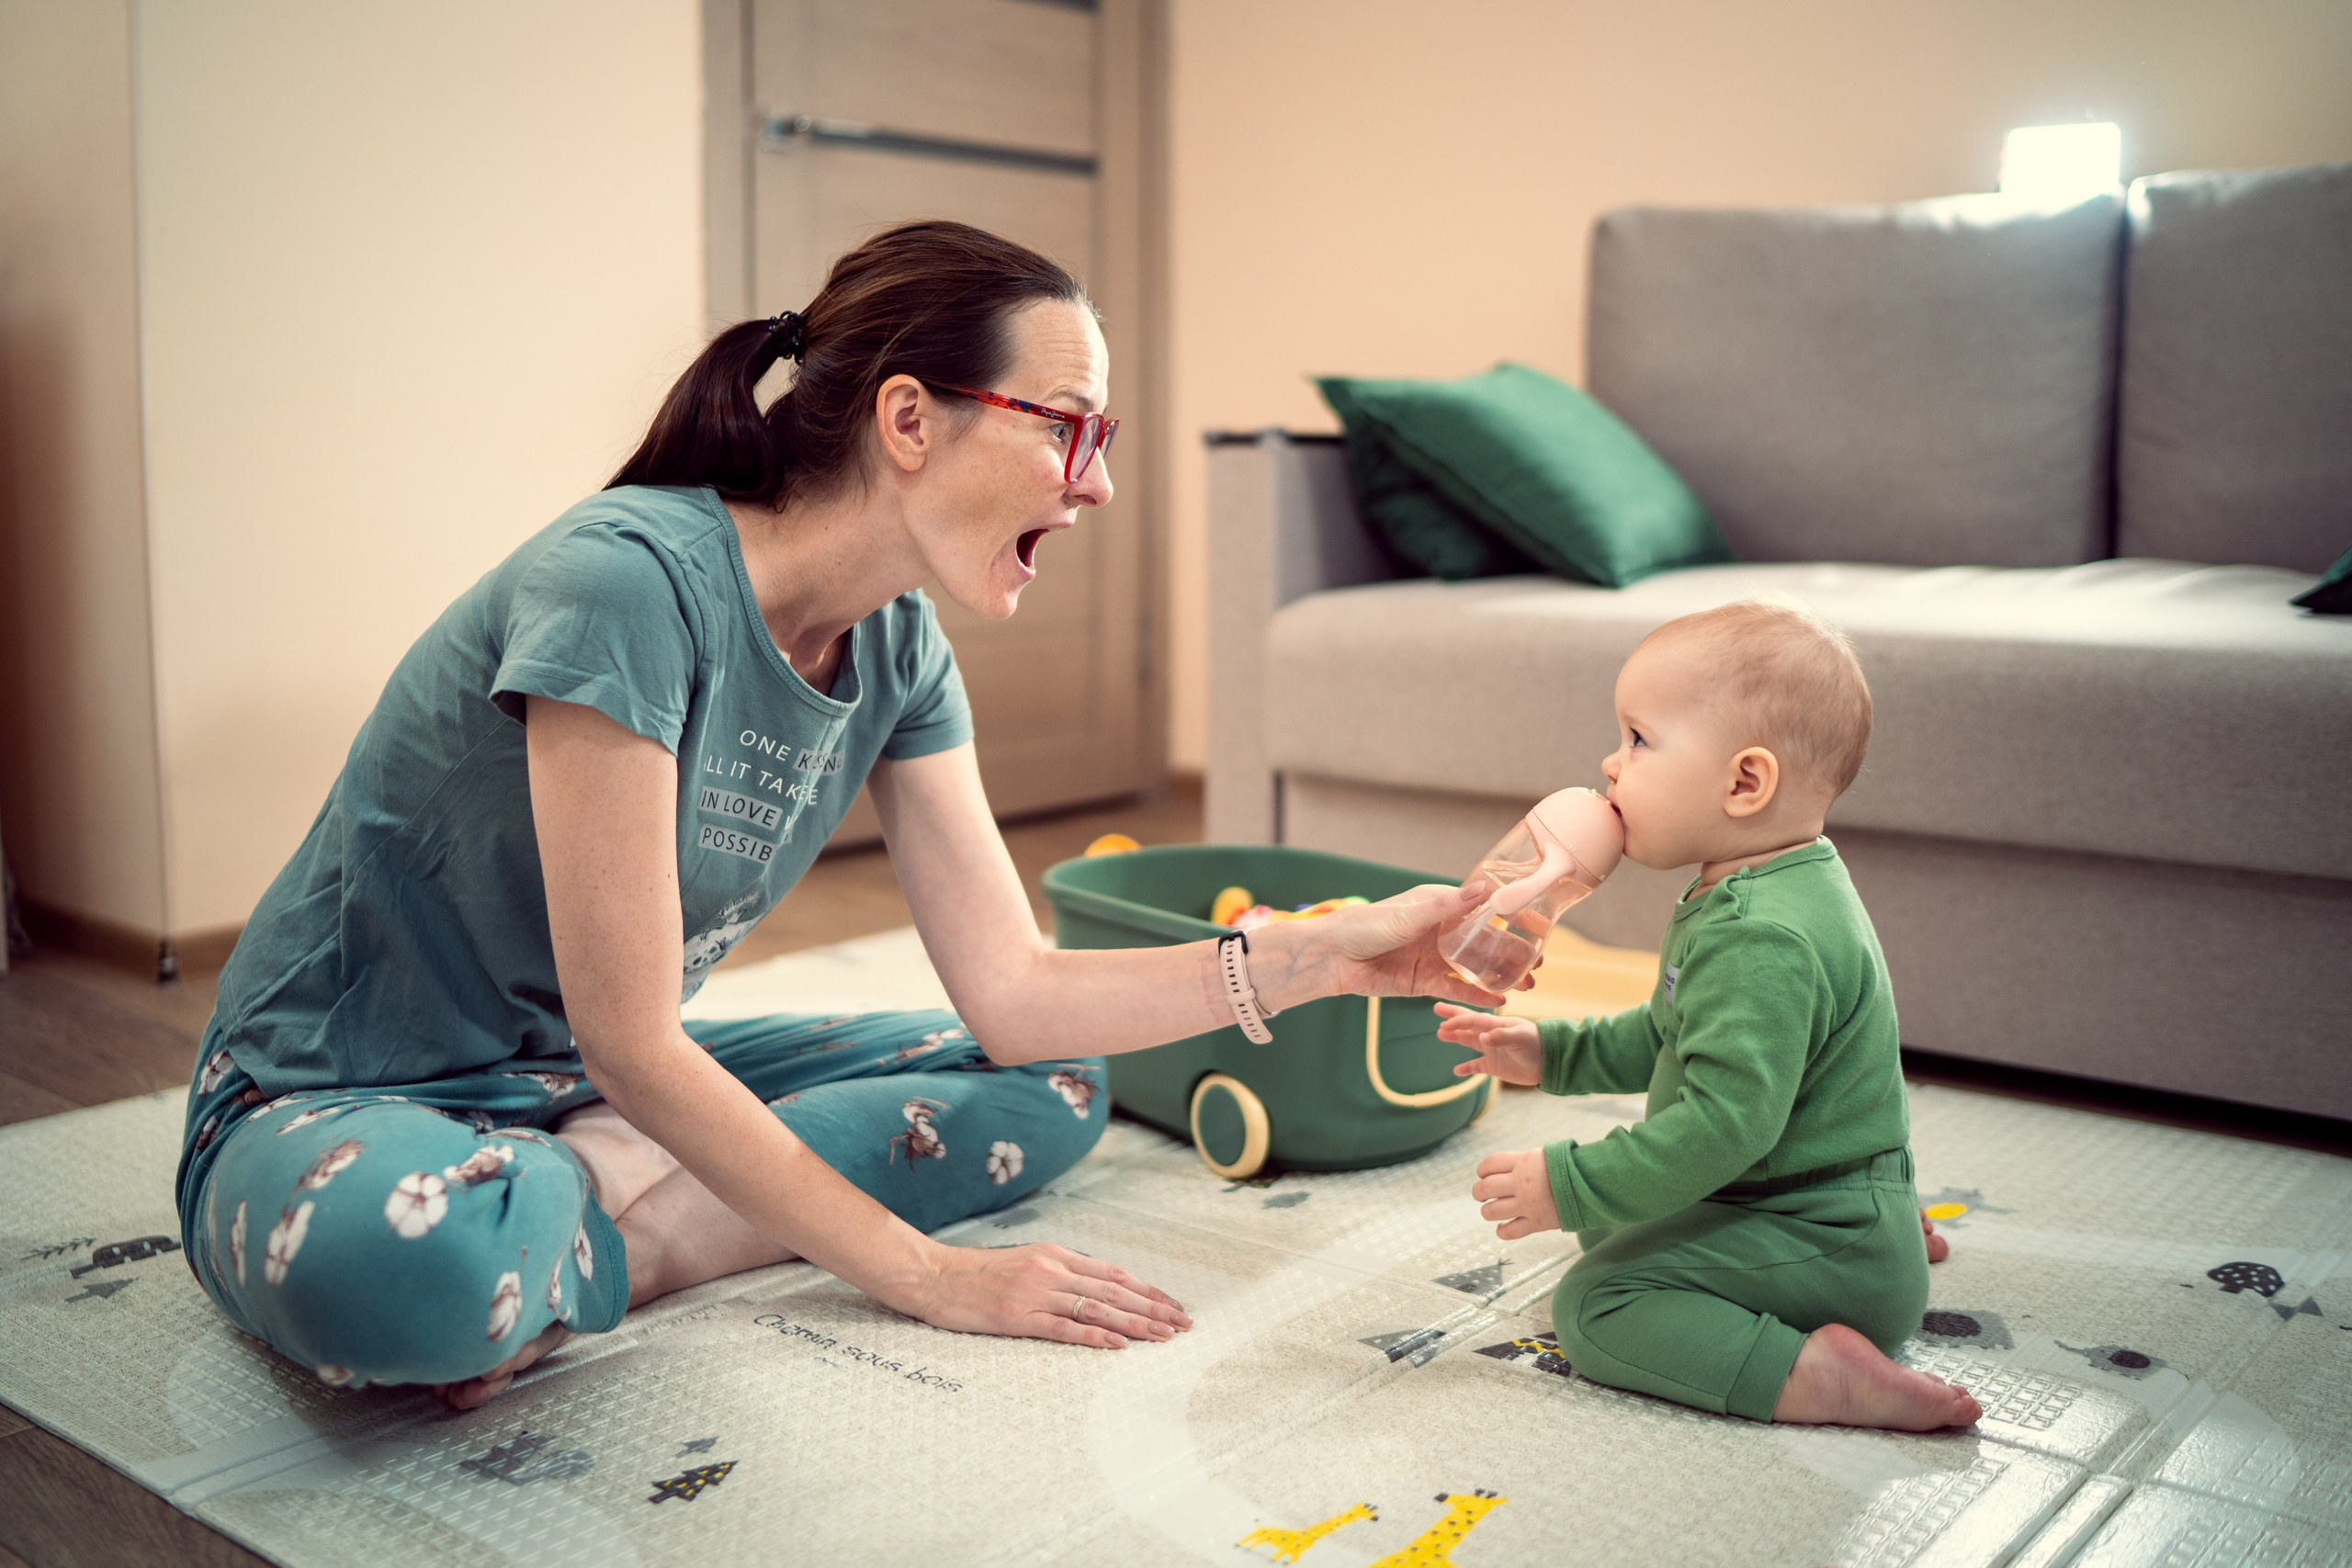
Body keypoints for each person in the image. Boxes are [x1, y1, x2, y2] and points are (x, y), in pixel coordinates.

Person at [175, 220, 1506, 1410]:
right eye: (1068, 425)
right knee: (407, 1263)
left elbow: (1017, 997)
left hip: (578, 1088)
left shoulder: (903, 647)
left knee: (1054, 1083)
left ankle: (612, 1230)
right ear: (910, 419)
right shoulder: (625, 581)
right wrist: (924, 1273)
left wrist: (1317, 959)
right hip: (339, 1087)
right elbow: (633, 1040)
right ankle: (570, 1203)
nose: (1096, 482)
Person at [1433, 596, 1982, 1431]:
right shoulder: (1763, 884)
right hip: (1802, 1204)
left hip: (1817, 1233)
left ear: (1744, 782)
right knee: (1611, 1221)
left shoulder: (1761, 935)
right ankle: (1878, 1228)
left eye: (1638, 739)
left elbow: (1725, 1127)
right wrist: (1551, 1052)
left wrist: (1568, 1181)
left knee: (1596, 1302)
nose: (1610, 763)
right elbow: (1670, 1032)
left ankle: (1821, 1374)